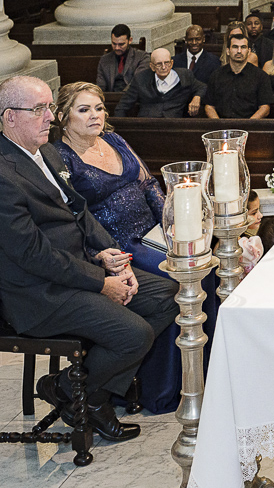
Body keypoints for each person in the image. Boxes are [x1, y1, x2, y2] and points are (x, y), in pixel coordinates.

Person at [0, 76, 176, 442]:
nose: (50, 117)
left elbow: (79, 211)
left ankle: (74, 390)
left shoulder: (45, 152)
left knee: (165, 296)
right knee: (134, 334)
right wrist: (101, 282)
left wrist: (114, 257)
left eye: (49, 107)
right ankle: (87, 394)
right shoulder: (4, 173)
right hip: (39, 292)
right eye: (39, 109)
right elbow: (33, 254)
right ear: (9, 117)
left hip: (79, 268)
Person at [54, 82, 218, 415]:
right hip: (116, 248)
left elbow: (150, 186)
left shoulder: (114, 140)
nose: (95, 115)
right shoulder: (61, 157)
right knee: (179, 282)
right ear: (62, 116)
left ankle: (205, 376)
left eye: (99, 108)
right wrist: (107, 254)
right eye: (83, 110)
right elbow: (75, 217)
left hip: (152, 235)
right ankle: (164, 387)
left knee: (206, 268)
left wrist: (176, 228)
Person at [115, 47, 205, 117]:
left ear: (172, 63)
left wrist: (197, 97)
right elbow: (122, 106)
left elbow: (202, 87)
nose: (163, 67)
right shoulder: (141, 78)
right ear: (152, 66)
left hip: (175, 128)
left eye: (167, 63)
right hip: (147, 127)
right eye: (159, 64)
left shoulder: (185, 75)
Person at [203, 32, 272, 119]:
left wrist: (248, 124)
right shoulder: (216, 75)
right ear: (228, 51)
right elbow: (209, 106)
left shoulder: (261, 76)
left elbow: (265, 108)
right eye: (235, 47)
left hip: (250, 127)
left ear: (249, 51)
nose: (239, 51)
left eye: (243, 47)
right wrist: (220, 125)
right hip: (222, 127)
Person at [96, 24, 150, 93]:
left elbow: (138, 82)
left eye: (121, 44)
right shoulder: (105, 60)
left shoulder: (142, 57)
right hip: (110, 99)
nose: (117, 48)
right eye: (114, 43)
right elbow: (101, 86)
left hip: (134, 99)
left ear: (130, 40)